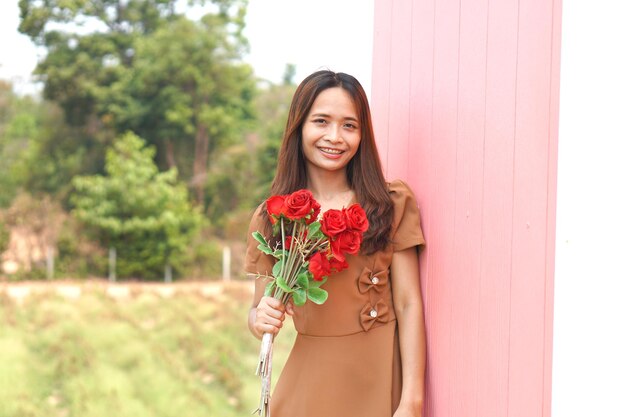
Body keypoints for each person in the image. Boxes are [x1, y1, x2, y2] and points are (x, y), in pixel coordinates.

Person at [245, 70, 426, 417]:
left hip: (377, 379)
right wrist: (259, 318)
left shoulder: (389, 204)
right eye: (321, 121)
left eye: (349, 125)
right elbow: (257, 311)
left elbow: (407, 303)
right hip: (308, 385)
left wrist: (412, 400)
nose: (334, 137)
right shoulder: (275, 219)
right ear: (299, 128)